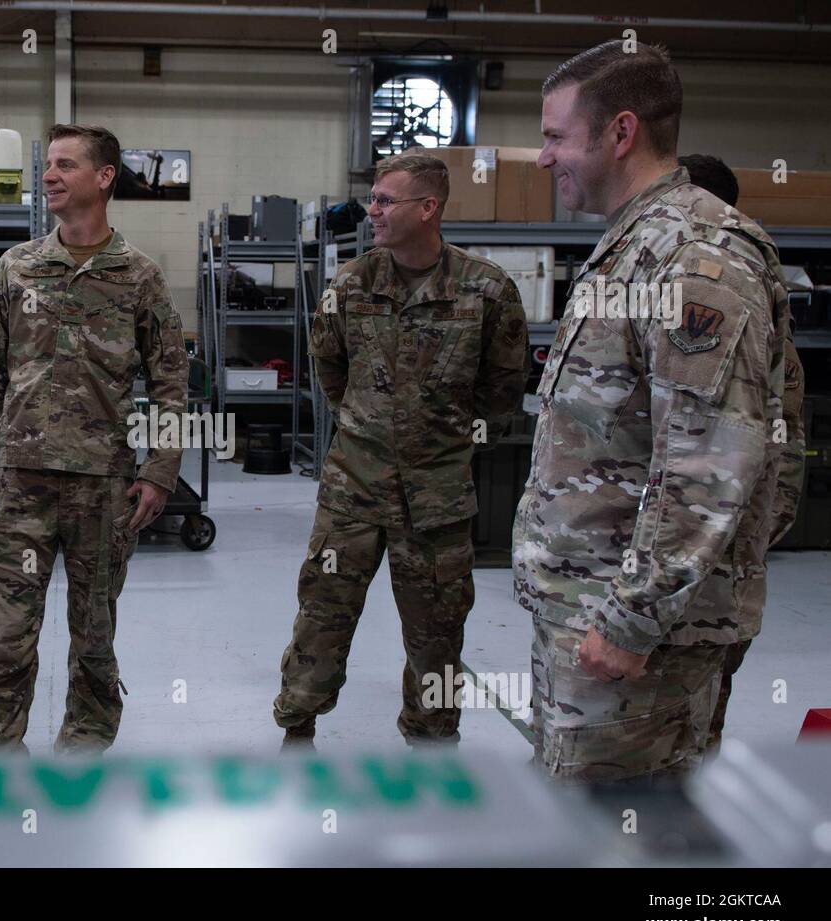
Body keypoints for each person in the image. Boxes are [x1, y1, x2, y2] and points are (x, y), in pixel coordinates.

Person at [515, 41, 799, 782]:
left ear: (621, 132)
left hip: (636, 639)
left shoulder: (693, 257)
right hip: (589, 614)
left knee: (622, 835)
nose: (544, 159)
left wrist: (634, 618)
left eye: (554, 137)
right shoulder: (630, 244)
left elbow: (707, 462)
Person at [272, 153, 529, 749]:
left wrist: (436, 437)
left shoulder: (487, 289)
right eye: (375, 199)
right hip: (352, 490)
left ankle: (432, 741)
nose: (374, 211)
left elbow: (502, 390)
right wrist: (369, 427)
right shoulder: (353, 283)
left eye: (387, 200)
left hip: (437, 497)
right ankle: (297, 726)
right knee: (323, 613)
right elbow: (328, 369)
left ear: (428, 208)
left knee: (437, 630)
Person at [0, 124, 188, 753]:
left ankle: (83, 747)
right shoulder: (18, 266)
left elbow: (170, 377)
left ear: (104, 177)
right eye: (47, 165)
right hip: (21, 482)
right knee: (5, 634)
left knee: (94, 632)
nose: (49, 175)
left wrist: (161, 469)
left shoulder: (138, 276)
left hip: (103, 487)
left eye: (65, 164)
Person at [677, 153, 806, 752]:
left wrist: (744, 539)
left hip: (710, 557)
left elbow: (776, 440)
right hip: (695, 549)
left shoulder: (726, 284)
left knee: (692, 710)